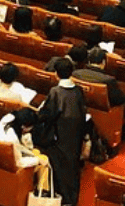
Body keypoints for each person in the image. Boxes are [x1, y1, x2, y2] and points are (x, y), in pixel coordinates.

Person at [41, 58, 86, 206]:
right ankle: (72, 199)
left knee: (60, 167)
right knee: (73, 167)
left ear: (56, 74)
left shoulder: (55, 92)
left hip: (59, 135)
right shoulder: (78, 91)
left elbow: (47, 115)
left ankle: (63, 198)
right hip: (76, 134)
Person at [72, 46, 125, 140]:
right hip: (108, 111)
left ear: (88, 61)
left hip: (82, 106)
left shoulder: (76, 74)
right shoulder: (108, 80)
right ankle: (123, 133)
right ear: (104, 62)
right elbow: (120, 100)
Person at [0, 107, 50, 193]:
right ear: (23, 126)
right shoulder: (12, 138)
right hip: (12, 165)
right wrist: (37, 160)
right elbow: (19, 162)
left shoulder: (8, 118)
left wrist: (30, 153)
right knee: (44, 161)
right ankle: (42, 192)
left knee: (36, 153)